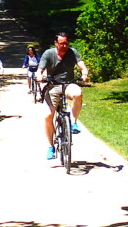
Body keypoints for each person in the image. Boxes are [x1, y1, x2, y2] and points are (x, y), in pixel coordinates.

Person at [35, 31, 90, 160]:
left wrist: (85, 74)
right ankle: (51, 147)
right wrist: (39, 76)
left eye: (66, 43)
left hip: (68, 84)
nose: (65, 46)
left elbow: (82, 66)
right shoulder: (48, 54)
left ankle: (74, 123)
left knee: (77, 94)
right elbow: (40, 70)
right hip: (53, 86)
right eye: (62, 43)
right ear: (56, 44)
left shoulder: (72, 52)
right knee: (48, 116)